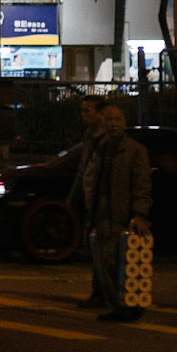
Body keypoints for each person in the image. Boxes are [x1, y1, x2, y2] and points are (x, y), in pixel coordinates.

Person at [72, 103, 151, 322]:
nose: (114, 124)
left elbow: (142, 186)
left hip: (121, 217)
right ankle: (122, 306)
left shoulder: (135, 151)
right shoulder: (103, 148)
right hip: (101, 216)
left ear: (124, 123)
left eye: (117, 120)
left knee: (115, 264)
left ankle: (125, 307)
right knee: (104, 263)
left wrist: (139, 214)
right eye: (109, 120)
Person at [65, 97, 108, 307]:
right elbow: (84, 169)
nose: (83, 116)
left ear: (100, 114)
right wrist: (73, 199)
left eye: (87, 111)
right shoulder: (89, 136)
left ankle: (103, 293)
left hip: (105, 203)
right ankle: (99, 292)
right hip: (92, 201)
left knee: (101, 249)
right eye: (82, 111)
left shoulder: (108, 139)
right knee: (94, 247)